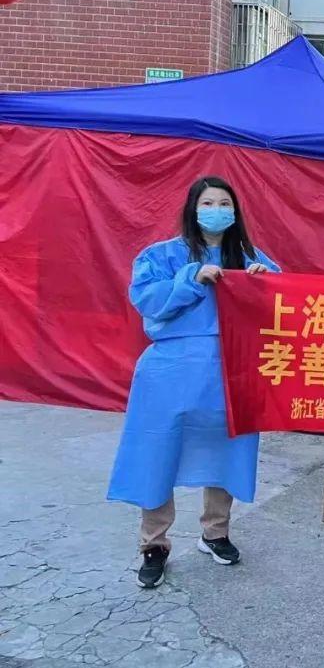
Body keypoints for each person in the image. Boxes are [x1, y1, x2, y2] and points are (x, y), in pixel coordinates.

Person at [107, 176, 280, 589]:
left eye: (225, 203)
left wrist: (264, 284)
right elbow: (146, 299)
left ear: (235, 212)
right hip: (170, 373)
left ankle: (216, 532)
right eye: (208, 203)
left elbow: (283, 305)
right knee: (158, 453)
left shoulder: (251, 258)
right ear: (192, 209)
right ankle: (153, 544)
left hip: (232, 371)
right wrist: (191, 279)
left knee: (228, 452)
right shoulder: (161, 255)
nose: (217, 210)